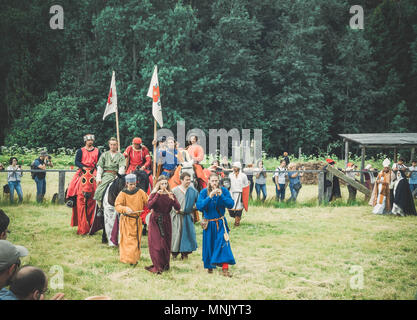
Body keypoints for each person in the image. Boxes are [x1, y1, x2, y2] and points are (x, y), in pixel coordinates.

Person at [196, 173, 235, 277]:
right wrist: (210, 196)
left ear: (219, 181)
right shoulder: (204, 192)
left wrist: (221, 195)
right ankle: (210, 266)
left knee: (223, 244)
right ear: (208, 181)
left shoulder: (224, 191)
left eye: (216, 181)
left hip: (220, 223)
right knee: (209, 245)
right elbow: (199, 206)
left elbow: (231, 204)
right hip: (209, 223)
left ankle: (225, 268)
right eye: (212, 181)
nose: (214, 183)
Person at [146, 176, 180, 274]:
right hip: (155, 220)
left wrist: (172, 199)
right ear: (158, 185)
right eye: (162, 184)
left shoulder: (171, 194)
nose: (164, 185)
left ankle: (164, 264)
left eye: (165, 183)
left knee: (165, 244)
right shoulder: (154, 194)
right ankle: (157, 266)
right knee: (157, 244)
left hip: (166, 219)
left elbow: (178, 207)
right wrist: (157, 195)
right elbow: (149, 206)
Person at [114, 173, 149, 266]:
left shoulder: (140, 192)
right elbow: (117, 205)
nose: (133, 186)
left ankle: (135, 257)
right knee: (129, 240)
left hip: (137, 220)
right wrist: (125, 209)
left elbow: (148, 201)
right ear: (127, 184)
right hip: (126, 220)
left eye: (134, 184)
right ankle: (128, 259)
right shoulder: (122, 194)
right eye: (130, 184)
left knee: (137, 239)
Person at [170, 172, 199, 260]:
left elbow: (198, 204)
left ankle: (185, 253)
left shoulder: (193, 191)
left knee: (187, 235)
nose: (188, 181)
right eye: (186, 179)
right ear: (181, 180)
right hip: (177, 216)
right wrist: (174, 210)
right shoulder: (174, 190)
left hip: (187, 216)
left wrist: (191, 208)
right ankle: (174, 253)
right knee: (176, 235)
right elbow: (169, 202)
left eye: (189, 180)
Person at [66, 134, 100, 207]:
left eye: (91, 140)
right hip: (83, 170)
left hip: (93, 170)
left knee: (99, 182)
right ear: (85, 141)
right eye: (88, 140)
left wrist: (97, 168)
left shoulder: (97, 151)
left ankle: (101, 200)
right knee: (74, 182)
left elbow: (100, 162)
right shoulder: (80, 151)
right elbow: (76, 161)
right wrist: (83, 167)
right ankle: (71, 199)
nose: (90, 142)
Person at [94, 137, 126, 208]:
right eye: (111, 144)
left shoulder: (121, 156)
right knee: (98, 191)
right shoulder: (104, 155)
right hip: (106, 175)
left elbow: (122, 167)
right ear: (109, 145)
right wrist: (98, 178)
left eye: (114, 145)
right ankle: (100, 208)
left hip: (117, 176)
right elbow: (100, 167)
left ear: (117, 145)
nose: (113, 146)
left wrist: (118, 177)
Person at [228, 162, 249, 226]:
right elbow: (228, 184)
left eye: (235, 167)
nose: (234, 168)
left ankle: (237, 221)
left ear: (239, 168)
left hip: (240, 194)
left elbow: (246, 185)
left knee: (239, 208)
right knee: (231, 211)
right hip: (232, 193)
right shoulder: (230, 175)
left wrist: (244, 195)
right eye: (233, 167)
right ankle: (237, 217)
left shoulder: (243, 176)